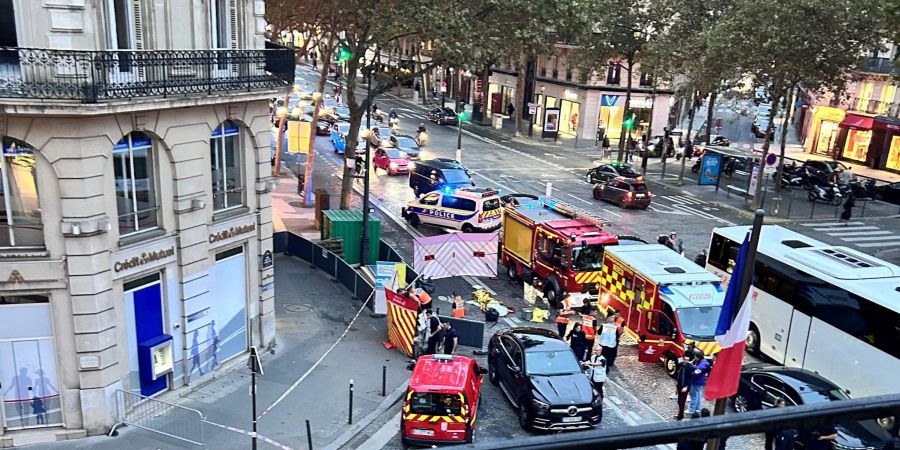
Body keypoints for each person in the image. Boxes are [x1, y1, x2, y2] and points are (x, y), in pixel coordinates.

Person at [688, 349, 710, 414]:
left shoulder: (701, 365)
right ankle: (698, 408)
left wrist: (691, 368)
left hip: (696, 381)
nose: (694, 358)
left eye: (695, 356)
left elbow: (695, 372)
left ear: (698, 357)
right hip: (700, 381)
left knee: (694, 395)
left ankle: (691, 409)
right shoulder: (704, 362)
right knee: (698, 394)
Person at [673, 353, 694, 420]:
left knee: (681, 401)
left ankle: (680, 415)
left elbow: (691, 379)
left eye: (687, 360)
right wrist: (676, 380)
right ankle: (680, 414)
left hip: (685, 387)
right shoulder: (681, 364)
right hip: (679, 385)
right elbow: (677, 372)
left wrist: (687, 387)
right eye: (684, 359)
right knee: (679, 401)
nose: (685, 361)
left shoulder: (690, 367)